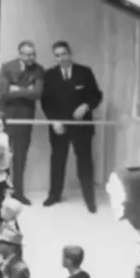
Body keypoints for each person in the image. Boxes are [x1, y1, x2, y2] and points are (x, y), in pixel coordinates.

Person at [39, 40, 103, 212]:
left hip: (82, 126)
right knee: (58, 159)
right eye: (57, 56)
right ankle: (54, 195)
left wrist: (86, 106)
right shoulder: (49, 75)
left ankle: (90, 199)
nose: (61, 58)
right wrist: (54, 121)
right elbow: (45, 102)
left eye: (64, 54)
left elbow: (96, 95)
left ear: (70, 53)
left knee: (85, 161)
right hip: (59, 126)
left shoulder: (84, 72)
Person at [0, 41, 44, 199]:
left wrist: (16, 88)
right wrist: (26, 90)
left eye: (33, 54)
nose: (31, 58)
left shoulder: (38, 70)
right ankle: (5, 192)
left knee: (21, 156)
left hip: (25, 118)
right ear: (20, 54)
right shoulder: (7, 67)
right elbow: (3, 93)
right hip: (7, 117)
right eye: (28, 54)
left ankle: (19, 192)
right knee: (4, 155)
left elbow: (37, 94)